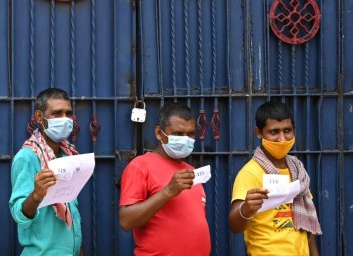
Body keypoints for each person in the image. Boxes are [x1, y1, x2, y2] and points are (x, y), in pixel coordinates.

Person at [229, 100, 321, 256]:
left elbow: (306, 227)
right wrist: (246, 209)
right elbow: (235, 226)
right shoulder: (250, 173)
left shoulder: (298, 171)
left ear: (294, 130)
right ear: (259, 133)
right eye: (274, 132)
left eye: (287, 130)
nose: (282, 138)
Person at [119, 102, 211, 256]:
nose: (185, 139)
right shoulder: (141, 166)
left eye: (190, 134)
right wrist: (168, 191)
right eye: (178, 134)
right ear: (158, 133)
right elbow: (126, 221)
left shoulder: (191, 171)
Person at [9, 88, 83, 256]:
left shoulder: (68, 154)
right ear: (40, 117)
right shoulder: (27, 157)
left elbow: (72, 212)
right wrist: (36, 195)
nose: (64, 119)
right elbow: (19, 215)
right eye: (57, 114)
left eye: (68, 113)